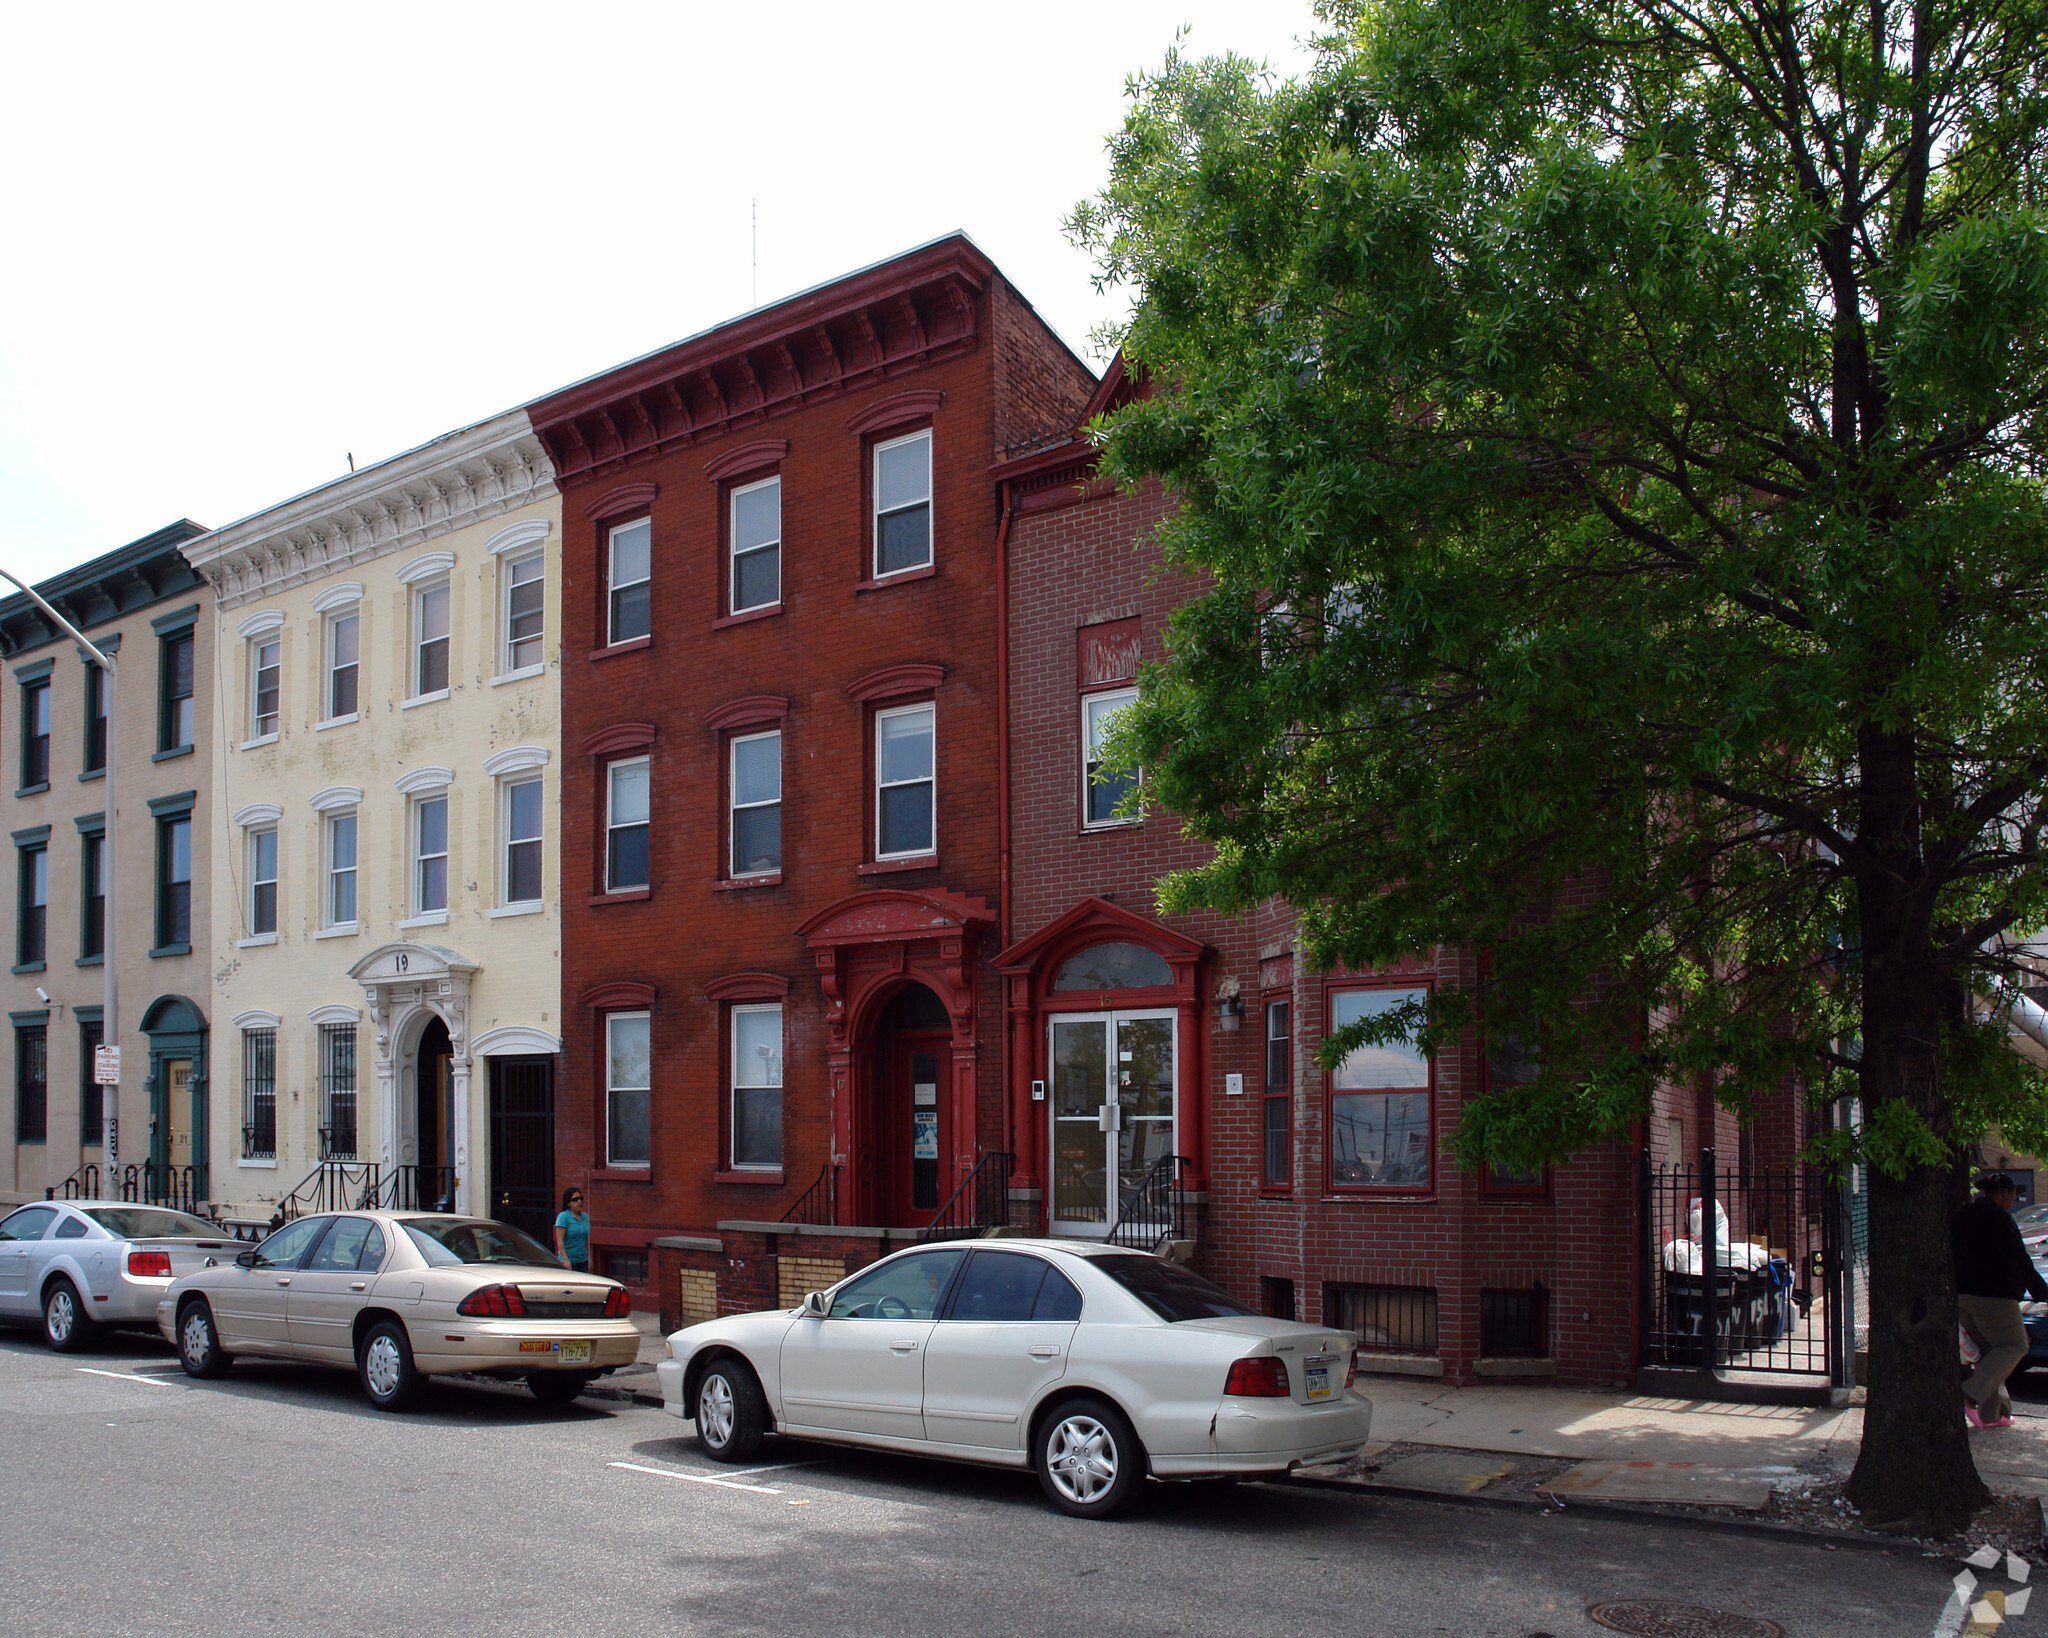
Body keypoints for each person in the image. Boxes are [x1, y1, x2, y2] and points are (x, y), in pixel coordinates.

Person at [1952, 1171, 2048, 1428]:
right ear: (2004, 1193)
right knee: (2015, 1345)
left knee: (1990, 1354)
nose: (2012, 1202)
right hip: (1994, 1297)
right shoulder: (1999, 1219)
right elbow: (2019, 1259)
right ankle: (1969, 1393)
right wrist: (2043, 1294)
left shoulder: (1962, 1216)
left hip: (1962, 1295)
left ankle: (1994, 1415)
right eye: (2012, 1197)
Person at [554, 1187, 590, 1273]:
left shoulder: (585, 1216)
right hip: (569, 1261)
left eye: (581, 1199)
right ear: (568, 1203)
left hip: (582, 1260)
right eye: (575, 1200)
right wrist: (566, 1261)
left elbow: (586, 1238)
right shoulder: (563, 1217)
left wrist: (588, 1256)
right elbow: (559, 1240)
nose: (579, 1202)